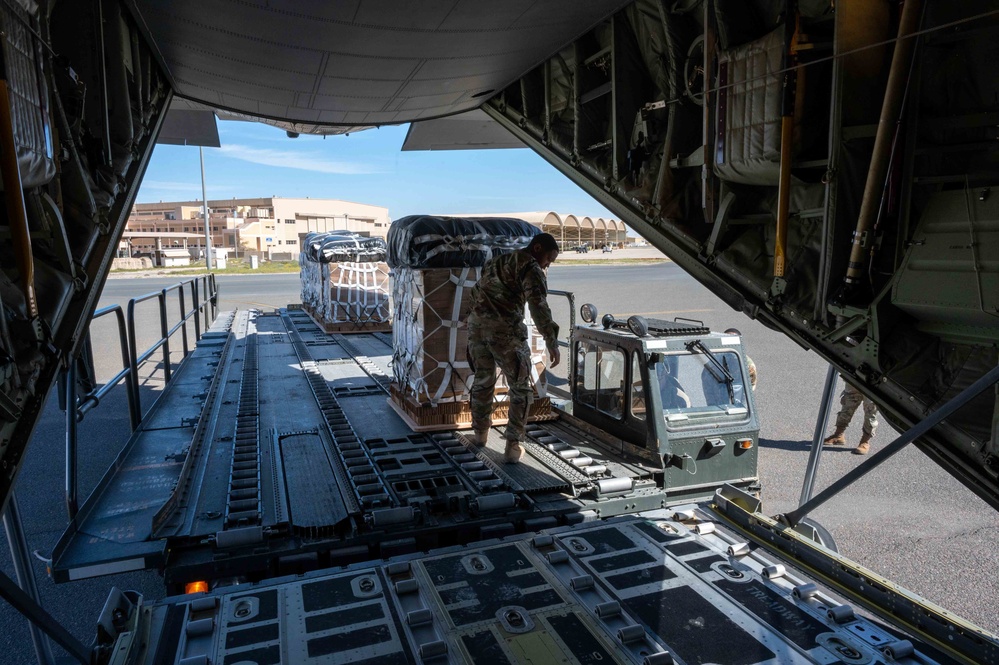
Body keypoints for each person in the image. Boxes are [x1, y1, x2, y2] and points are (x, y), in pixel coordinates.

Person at [466, 233, 561, 463]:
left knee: (482, 381)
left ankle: (480, 435)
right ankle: (513, 446)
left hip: (477, 330)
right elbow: (538, 306)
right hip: (505, 333)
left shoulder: (497, 261)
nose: (548, 264)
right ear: (537, 248)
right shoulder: (530, 267)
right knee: (521, 388)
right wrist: (551, 340)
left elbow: (476, 292)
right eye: (549, 258)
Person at [823, 380, 877, 455]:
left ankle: (865, 441)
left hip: (875, 379)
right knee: (848, 404)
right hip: (855, 375)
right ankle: (838, 435)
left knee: (870, 410)